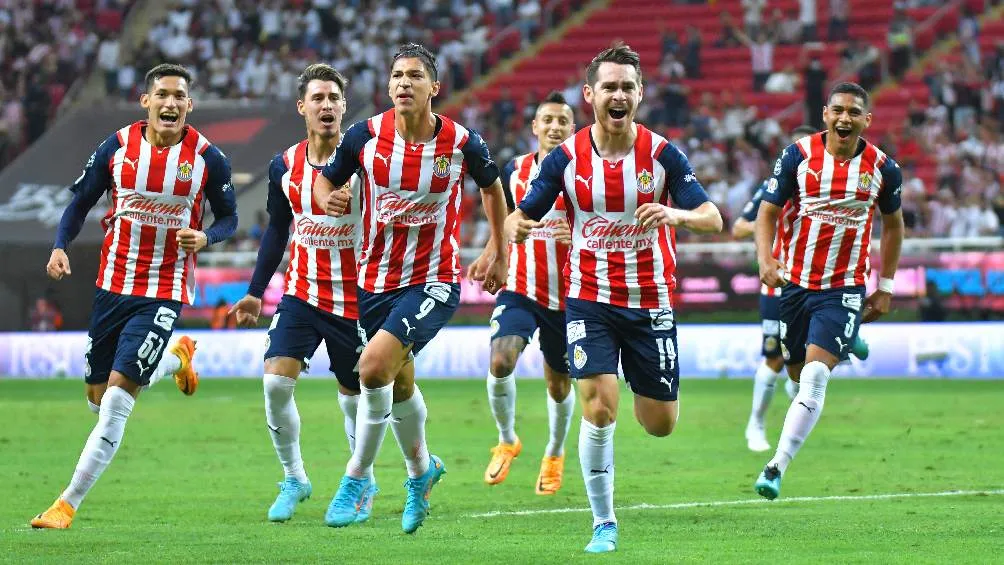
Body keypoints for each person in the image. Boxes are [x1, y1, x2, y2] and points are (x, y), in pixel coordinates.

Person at [504, 43, 723, 553]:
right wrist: (514, 227)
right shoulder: (565, 158)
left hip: (649, 302)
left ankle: (630, 370)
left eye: (628, 86)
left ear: (640, 94)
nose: (618, 94)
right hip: (589, 299)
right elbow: (525, 211)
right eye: (609, 86)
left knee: (659, 424)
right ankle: (604, 522)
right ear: (591, 94)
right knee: (599, 409)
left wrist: (676, 215)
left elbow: (712, 218)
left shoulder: (663, 155)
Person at [32, 63, 238, 529]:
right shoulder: (117, 147)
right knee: (96, 396)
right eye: (162, 94)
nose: (170, 103)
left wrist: (207, 239)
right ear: (146, 101)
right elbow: (80, 202)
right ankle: (177, 360)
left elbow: (229, 219)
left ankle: (67, 503)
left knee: (118, 399)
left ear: (190, 104)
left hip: (163, 290)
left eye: (179, 96)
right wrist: (60, 245)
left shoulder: (208, 158)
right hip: (112, 284)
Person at [316, 43, 508, 533]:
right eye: (397, 75)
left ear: (434, 88)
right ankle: (422, 474)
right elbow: (325, 182)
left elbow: (492, 188)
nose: (403, 83)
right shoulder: (364, 135)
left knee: (373, 368)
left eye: (414, 76)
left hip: (434, 279)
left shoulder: (462, 142)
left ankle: (356, 477)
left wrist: (496, 250)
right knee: (399, 384)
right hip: (375, 281)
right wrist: (331, 199)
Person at [228, 64, 374, 524]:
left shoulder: (369, 161)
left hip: (356, 298)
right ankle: (295, 477)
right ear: (302, 107)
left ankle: (362, 481)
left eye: (334, 97)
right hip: (302, 294)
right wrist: (255, 292)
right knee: (274, 382)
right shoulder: (283, 166)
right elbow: (277, 232)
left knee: (354, 396)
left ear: (344, 106)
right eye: (318, 98)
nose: (326, 105)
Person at [753, 82, 904, 500]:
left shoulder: (883, 169)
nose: (844, 118)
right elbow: (767, 213)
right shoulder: (797, 157)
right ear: (825, 114)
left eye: (854, 112)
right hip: (797, 284)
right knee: (798, 375)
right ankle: (849, 337)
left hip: (843, 287)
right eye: (838, 110)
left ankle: (775, 466)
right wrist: (766, 261)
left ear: (866, 120)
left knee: (816, 377)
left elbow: (893, 224)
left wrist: (885, 286)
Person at [731, 125, 872, 453]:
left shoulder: (836, 186)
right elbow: (739, 228)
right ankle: (756, 424)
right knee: (774, 358)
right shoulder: (775, 186)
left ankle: (846, 341)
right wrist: (778, 219)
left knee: (809, 363)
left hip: (823, 283)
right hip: (779, 282)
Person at [483, 91, 575, 495]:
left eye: (563, 121)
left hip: (570, 296)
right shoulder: (514, 171)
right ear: (535, 127)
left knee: (558, 385)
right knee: (501, 360)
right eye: (548, 120)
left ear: (573, 130)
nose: (555, 127)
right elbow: (500, 222)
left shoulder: (583, 173)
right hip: (521, 287)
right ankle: (506, 439)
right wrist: (492, 256)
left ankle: (554, 453)